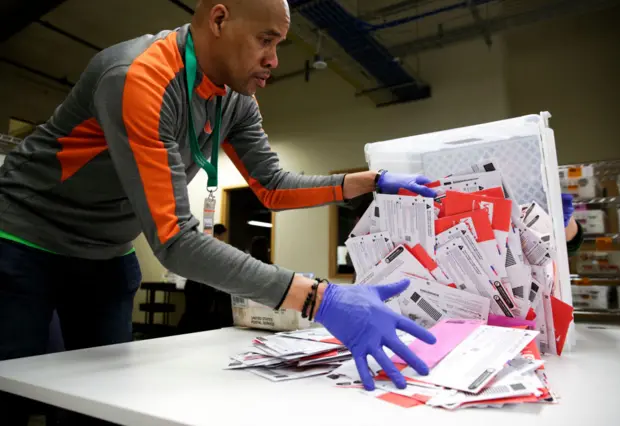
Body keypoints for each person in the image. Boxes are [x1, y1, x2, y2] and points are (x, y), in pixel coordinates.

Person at [0, 1, 438, 421]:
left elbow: (271, 186)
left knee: (97, 401)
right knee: (15, 390)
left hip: (107, 252)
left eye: (279, 44)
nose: (274, 60)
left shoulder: (235, 100)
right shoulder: (137, 76)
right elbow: (175, 241)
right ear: (220, 20)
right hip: (24, 233)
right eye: (265, 40)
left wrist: (363, 183)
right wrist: (319, 298)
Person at [178, 223, 233, 333]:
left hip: (193, 282)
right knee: (199, 314)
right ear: (218, 235)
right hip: (202, 285)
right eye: (223, 236)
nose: (223, 240)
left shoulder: (202, 244)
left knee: (192, 312)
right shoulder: (214, 248)